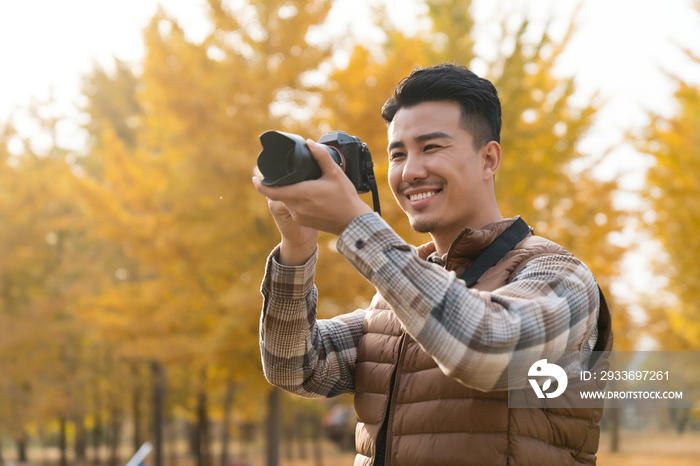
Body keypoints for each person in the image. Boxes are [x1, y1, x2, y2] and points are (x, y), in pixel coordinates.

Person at [252, 63, 612, 466]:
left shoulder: (560, 274)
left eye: (432, 148)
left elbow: (487, 349)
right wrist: (297, 247)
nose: (410, 171)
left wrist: (356, 225)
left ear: (488, 160)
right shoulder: (395, 296)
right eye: (398, 154)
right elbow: (292, 366)